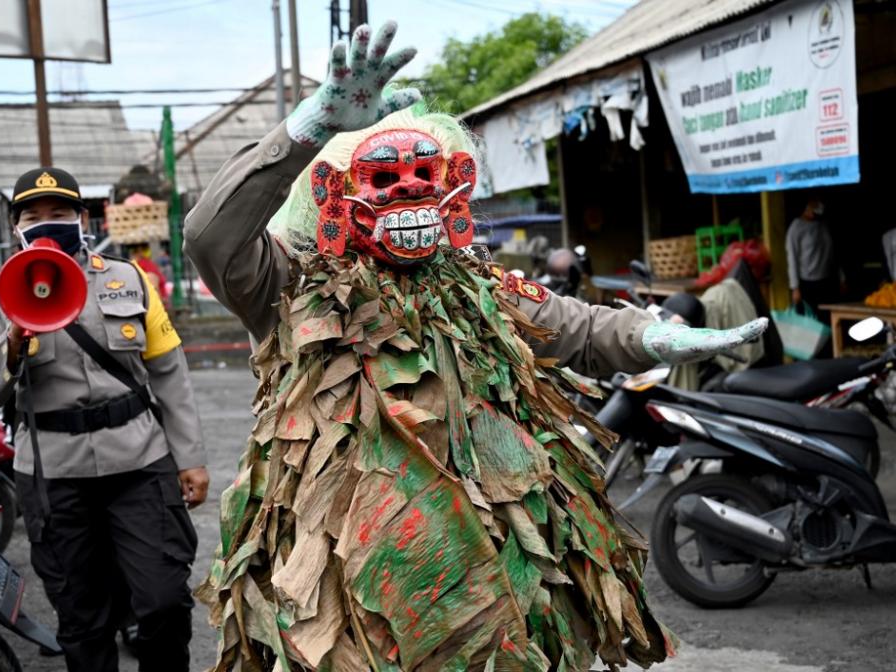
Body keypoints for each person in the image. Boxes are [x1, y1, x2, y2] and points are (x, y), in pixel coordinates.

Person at [184, 22, 765, 671]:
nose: (409, 187)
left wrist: (666, 336)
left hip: (485, 576)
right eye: (384, 176)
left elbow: (580, 327)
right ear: (337, 195)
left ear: (451, 184)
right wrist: (310, 127)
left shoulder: (478, 284)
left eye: (423, 172)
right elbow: (212, 237)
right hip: (348, 597)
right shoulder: (287, 286)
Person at [0, 167, 208, 672]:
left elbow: (169, 373)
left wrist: (191, 459)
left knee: (162, 600)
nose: (48, 224)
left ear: (83, 217)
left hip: (139, 462)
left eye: (61, 213)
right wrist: (11, 345)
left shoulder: (129, 279)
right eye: (34, 216)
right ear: (16, 227)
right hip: (55, 476)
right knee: (83, 618)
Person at [786, 198, 840, 316]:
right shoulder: (796, 228)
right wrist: (795, 287)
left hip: (826, 278)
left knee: (826, 316)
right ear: (808, 211)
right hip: (807, 282)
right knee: (811, 318)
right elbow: (792, 258)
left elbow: (833, 252)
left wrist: (841, 277)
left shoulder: (823, 225)